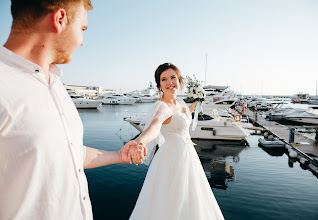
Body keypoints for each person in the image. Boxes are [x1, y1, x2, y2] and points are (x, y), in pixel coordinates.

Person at [0, 1, 145, 219]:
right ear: (60, 20)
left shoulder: (55, 84)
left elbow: (68, 152)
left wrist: (119, 155)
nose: (82, 42)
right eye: (82, 29)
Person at [128, 63, 225, 220]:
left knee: (192, 200)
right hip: (171, 160)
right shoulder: (162, 107)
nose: (169, 82)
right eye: (164, 79)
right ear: (159, 85)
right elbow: (154, 126)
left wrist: (195, 104)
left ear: (179, 81)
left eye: (173, 77)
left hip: (189, 157)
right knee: (170, 204)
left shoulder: (180, 104)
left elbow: (183, 116)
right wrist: (139, 141)